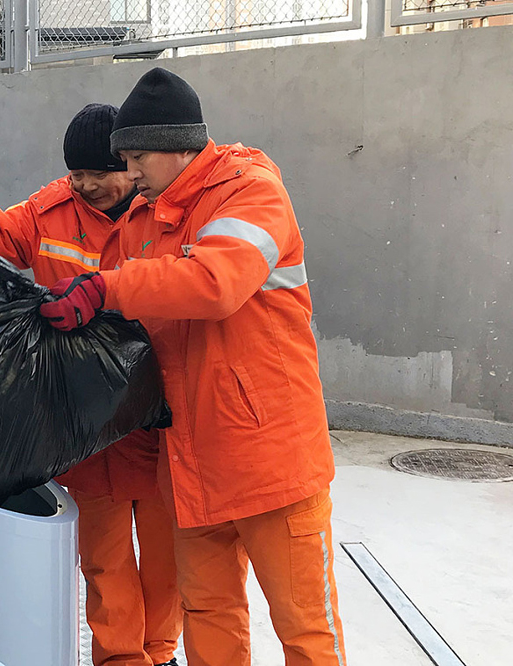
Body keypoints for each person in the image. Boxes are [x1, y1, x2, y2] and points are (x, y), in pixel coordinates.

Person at [40, 69, 347, 666]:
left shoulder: (251, 191)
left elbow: (214, 283)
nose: (129, 175)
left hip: (268, 457)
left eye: (135, 158)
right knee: (209, 613)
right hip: (190, 461)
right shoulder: (153, 213)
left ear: (176, 144)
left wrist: (106, 288)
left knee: (305, 628)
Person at [0, 104, 183, 666]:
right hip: (79, 425)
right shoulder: (55, 211)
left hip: (156, 420)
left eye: (99, 173)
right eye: (76, 174)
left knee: (167, 555)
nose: (85, 185)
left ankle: (161, 652)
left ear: (132, 163)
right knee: (103, 559)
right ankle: (122, 659)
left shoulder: (167, 214)